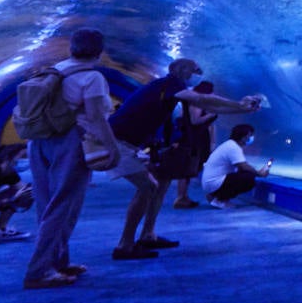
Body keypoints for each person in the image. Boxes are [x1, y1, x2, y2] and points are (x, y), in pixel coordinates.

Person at [107, 58, 262, 259]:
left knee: (160, 183)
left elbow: (210, 105)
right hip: (117, 140)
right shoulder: (170, 82)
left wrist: (241, 108)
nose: (194, 71)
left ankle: (147, 235)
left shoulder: (168, 90)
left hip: (129, 142)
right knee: (149, 187)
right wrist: (239, 104)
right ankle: (125, 246)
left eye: (196, 68)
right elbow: (202, 100)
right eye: (191, 66)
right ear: (176, 68)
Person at [22, 27, 119, 289]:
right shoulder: (92, 76)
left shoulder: (56, 69)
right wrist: (113, 148)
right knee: (65, 205)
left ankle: (59, 262)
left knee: (47, 204)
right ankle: (39, 271)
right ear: (99, 51)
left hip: (38, 140)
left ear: (71, 48)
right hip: (69, 141)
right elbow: (97, 117)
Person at [171, 80, 220, 208]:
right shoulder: (196, 104)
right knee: (187, 168)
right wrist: (211, 114)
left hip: (200, 138)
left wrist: (212, 142)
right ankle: (180, 197)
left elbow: (210, 126)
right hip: (193, 139)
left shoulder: (201, 103)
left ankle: (184, 196)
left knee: (192, 168)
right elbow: (195, 121)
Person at [200, 124, 270, 207]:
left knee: (246, 173)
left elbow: (241, 166)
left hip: (211, 182)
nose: (251, 138)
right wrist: (259, 173)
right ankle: (219, 199)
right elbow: (243, 166)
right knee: (248, 180)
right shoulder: (233, 147)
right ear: (243, 136)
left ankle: (216, 196)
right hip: (214, 183)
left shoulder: (230, 145)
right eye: (250, 135)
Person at [0, 143, 33, 244]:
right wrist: (9, 201)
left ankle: (1, 228)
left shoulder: (9, 173)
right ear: (8, 157)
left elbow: (25, 191)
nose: (26, 160)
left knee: (22, 193)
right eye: (23, 157)